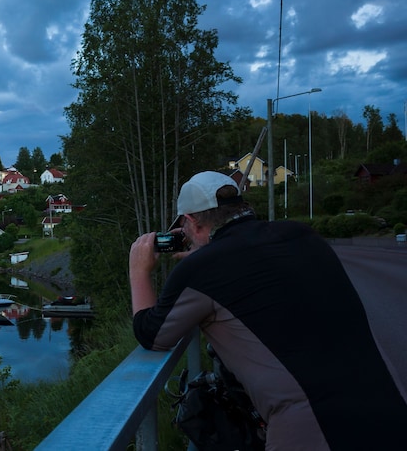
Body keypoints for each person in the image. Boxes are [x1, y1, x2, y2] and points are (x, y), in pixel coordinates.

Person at [129, 171, 407, 450]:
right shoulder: (302, 236)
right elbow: (258, 266)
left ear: (191, 221)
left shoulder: (200, 270)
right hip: (390, 405)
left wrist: (139, 270)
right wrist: (207, 258)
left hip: (317, 431)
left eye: (184, 229)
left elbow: (152, 334)